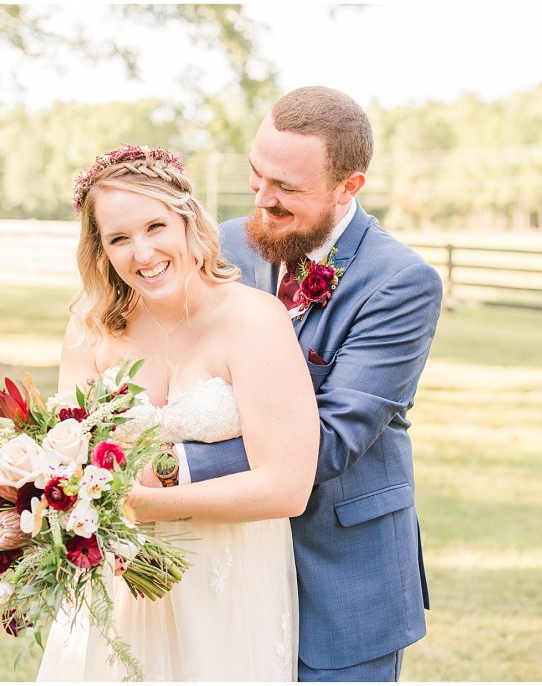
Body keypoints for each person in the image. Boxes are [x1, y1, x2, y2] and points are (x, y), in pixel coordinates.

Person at [140, 86, 444, 681]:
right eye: (256, 176)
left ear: (348, 187)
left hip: (340, 576)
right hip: (225, 565)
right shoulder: (224, 245)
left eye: (286, 188)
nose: (263, 200)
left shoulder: (401, 283)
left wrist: (174, 466)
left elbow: (331, 437)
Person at [37, 144, 318, 681]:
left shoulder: (253, 320)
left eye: (154, 227)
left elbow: (288, 485)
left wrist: (147, 503)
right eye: (119, 238)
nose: (142, 253)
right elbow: (63, 457)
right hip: (117, 580)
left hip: (228, 576)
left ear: (187, 218)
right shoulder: (90, 329)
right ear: (101, 250)